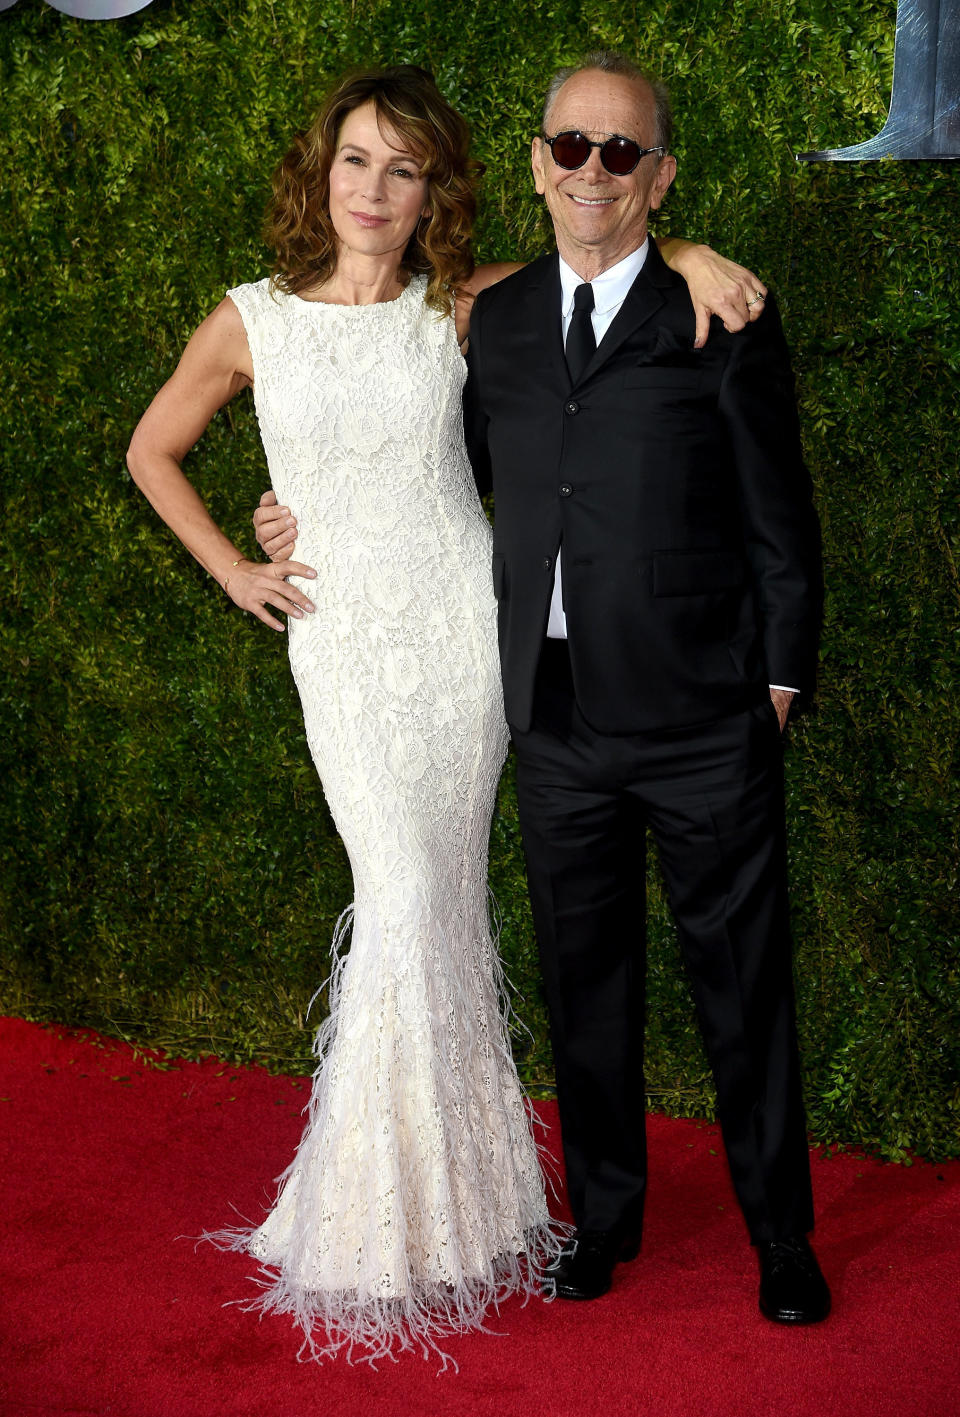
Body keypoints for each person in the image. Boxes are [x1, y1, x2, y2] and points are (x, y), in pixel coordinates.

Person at [130, 64, 779, 1364]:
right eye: (357, 160)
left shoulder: (465, 306)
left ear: (437, 191)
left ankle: (466, 1201)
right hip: (350, 653)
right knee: (406, 897)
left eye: (404, 168)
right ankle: (385, 1212)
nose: (376, 188)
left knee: (447, 904)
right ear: (324, 173)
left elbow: (604, 258)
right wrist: (242, 565)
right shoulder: (251, 319)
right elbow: (154, 448)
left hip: (468, 645)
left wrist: (693, 244)